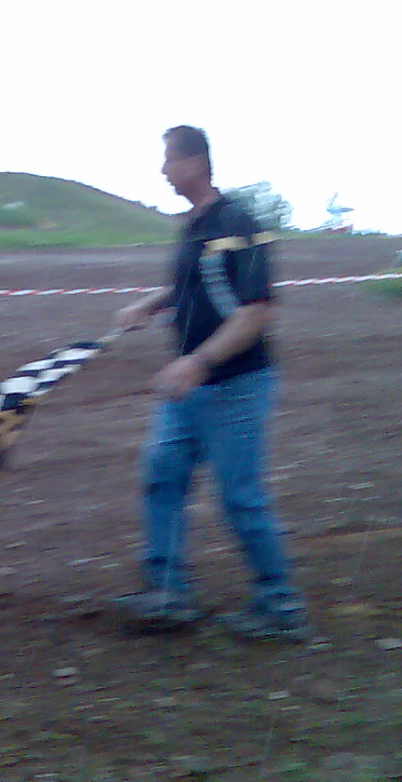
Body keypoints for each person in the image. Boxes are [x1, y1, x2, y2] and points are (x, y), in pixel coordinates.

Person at [110, 126, 309, 641]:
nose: (163, 171)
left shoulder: (239, 223)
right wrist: (149, 305)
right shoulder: (195, 226)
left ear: (197, 162)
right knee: (163, 475)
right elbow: (192, 285)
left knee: (239, 495)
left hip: (236, 383)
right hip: (190, 385)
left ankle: (280, 606)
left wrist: (198, 362)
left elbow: (257, 310)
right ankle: (167, 592)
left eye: (170, 160)